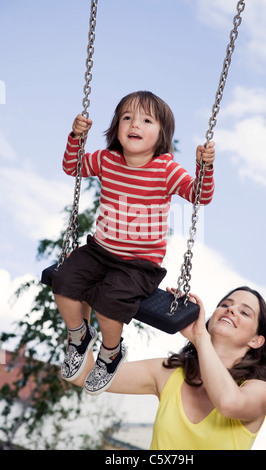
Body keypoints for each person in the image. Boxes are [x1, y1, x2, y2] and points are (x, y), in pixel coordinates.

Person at [52, 90, 215, 396]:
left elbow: (199, 196)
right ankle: (78, 337)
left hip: (140, 265)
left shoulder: (166, 169)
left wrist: (204, 167)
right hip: (99, 250)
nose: (134, 124)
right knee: (63, 281)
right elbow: (73, 167)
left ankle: (110, 354)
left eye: (146, 119)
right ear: (116, 128)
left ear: (162, 134)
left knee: (109, 301)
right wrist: (76, 135)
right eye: (126, 117)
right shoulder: (108, 159)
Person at [92, 286, 266, 450]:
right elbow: (86, 377)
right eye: (225, 305)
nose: (230, 310)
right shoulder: (168, 372)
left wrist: (200, 337)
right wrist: (79, 312)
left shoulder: (260, 391)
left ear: (256, 340)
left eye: (244, 312)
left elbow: (228, 402)